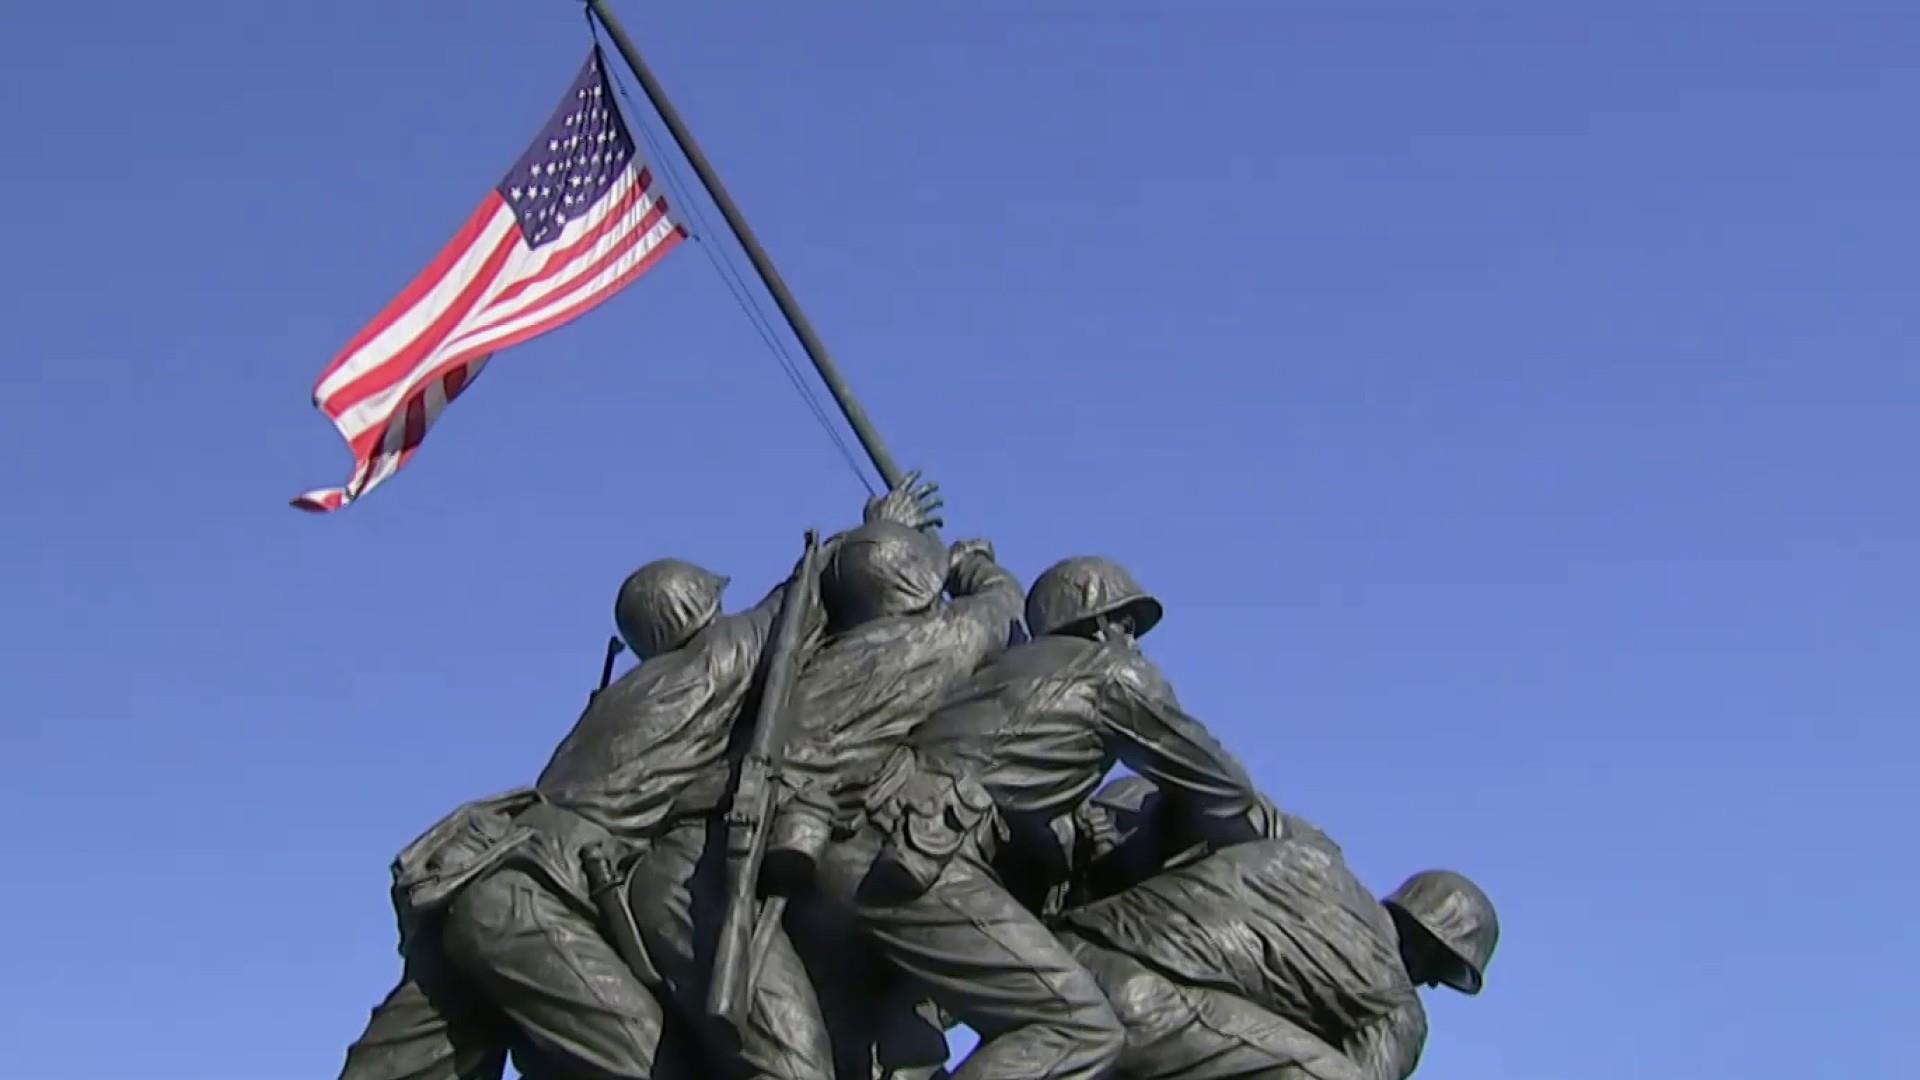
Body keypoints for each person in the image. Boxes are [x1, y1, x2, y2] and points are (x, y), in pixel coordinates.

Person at [337, 479, 938, 1080]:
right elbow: (805, 596)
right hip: (526, 903)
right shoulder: (712, 661)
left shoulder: (614, 701)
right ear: (704, 611)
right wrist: (880, 528)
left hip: (466, 888)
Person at [814, 556, 1271, 1080]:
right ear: (1102, 626)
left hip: (844, 849)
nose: (1134, 643)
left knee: (888, 1048)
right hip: (912, 855)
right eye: (1126, 625)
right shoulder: (1113, 673)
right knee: (1077, 1026)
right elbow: (1224, 790)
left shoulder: (1000, 672)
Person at [1056, 776, 1500, 1080]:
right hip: (1142, 1009)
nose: (1434, 985)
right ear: (1432, 944)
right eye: (1443, 971)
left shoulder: (1309, 850)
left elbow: (1186, 794)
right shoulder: (1398, 1006)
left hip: (1062, 954)